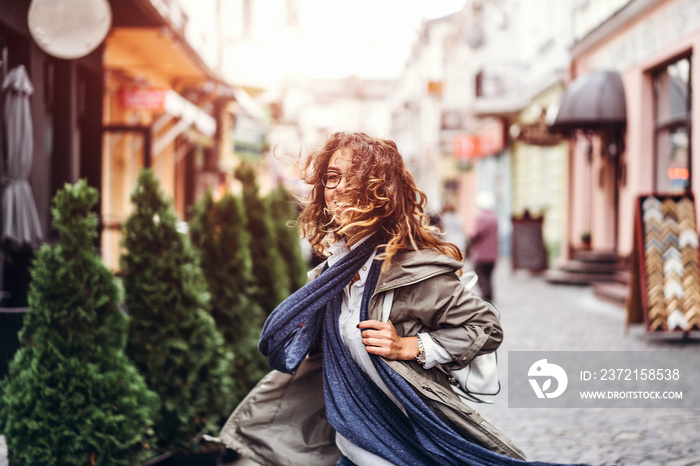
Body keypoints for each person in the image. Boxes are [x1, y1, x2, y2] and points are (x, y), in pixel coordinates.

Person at [219, 133, 527, 465]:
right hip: (348, 448)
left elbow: (486, 328)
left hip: (405, 446)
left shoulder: (414, 269)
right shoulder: (330, 274)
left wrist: (410, 346)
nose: (337, 188)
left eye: (353, 177)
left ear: (380, 191)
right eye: (331, 178)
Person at [469, 192, 499, 302]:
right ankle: (489, 294)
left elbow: (476, 233)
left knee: (480, 274)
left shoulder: (482, 217)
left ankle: (486, 294)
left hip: (482, 253)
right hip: (493, 253)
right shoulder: (494, 216)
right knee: (489, 275)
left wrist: (470, 238)